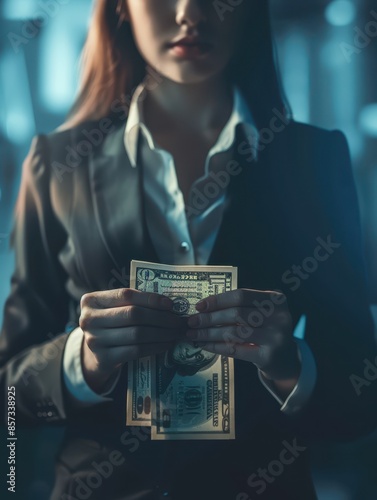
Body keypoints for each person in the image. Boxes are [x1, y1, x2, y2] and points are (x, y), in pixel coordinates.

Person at [1, 1, 376, 499]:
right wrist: (81, 361)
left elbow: (362, 392)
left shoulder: (314, 159)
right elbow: (9, 394)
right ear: (120, 10)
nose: (189, 14)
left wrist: (290, 365)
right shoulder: (54, 165)